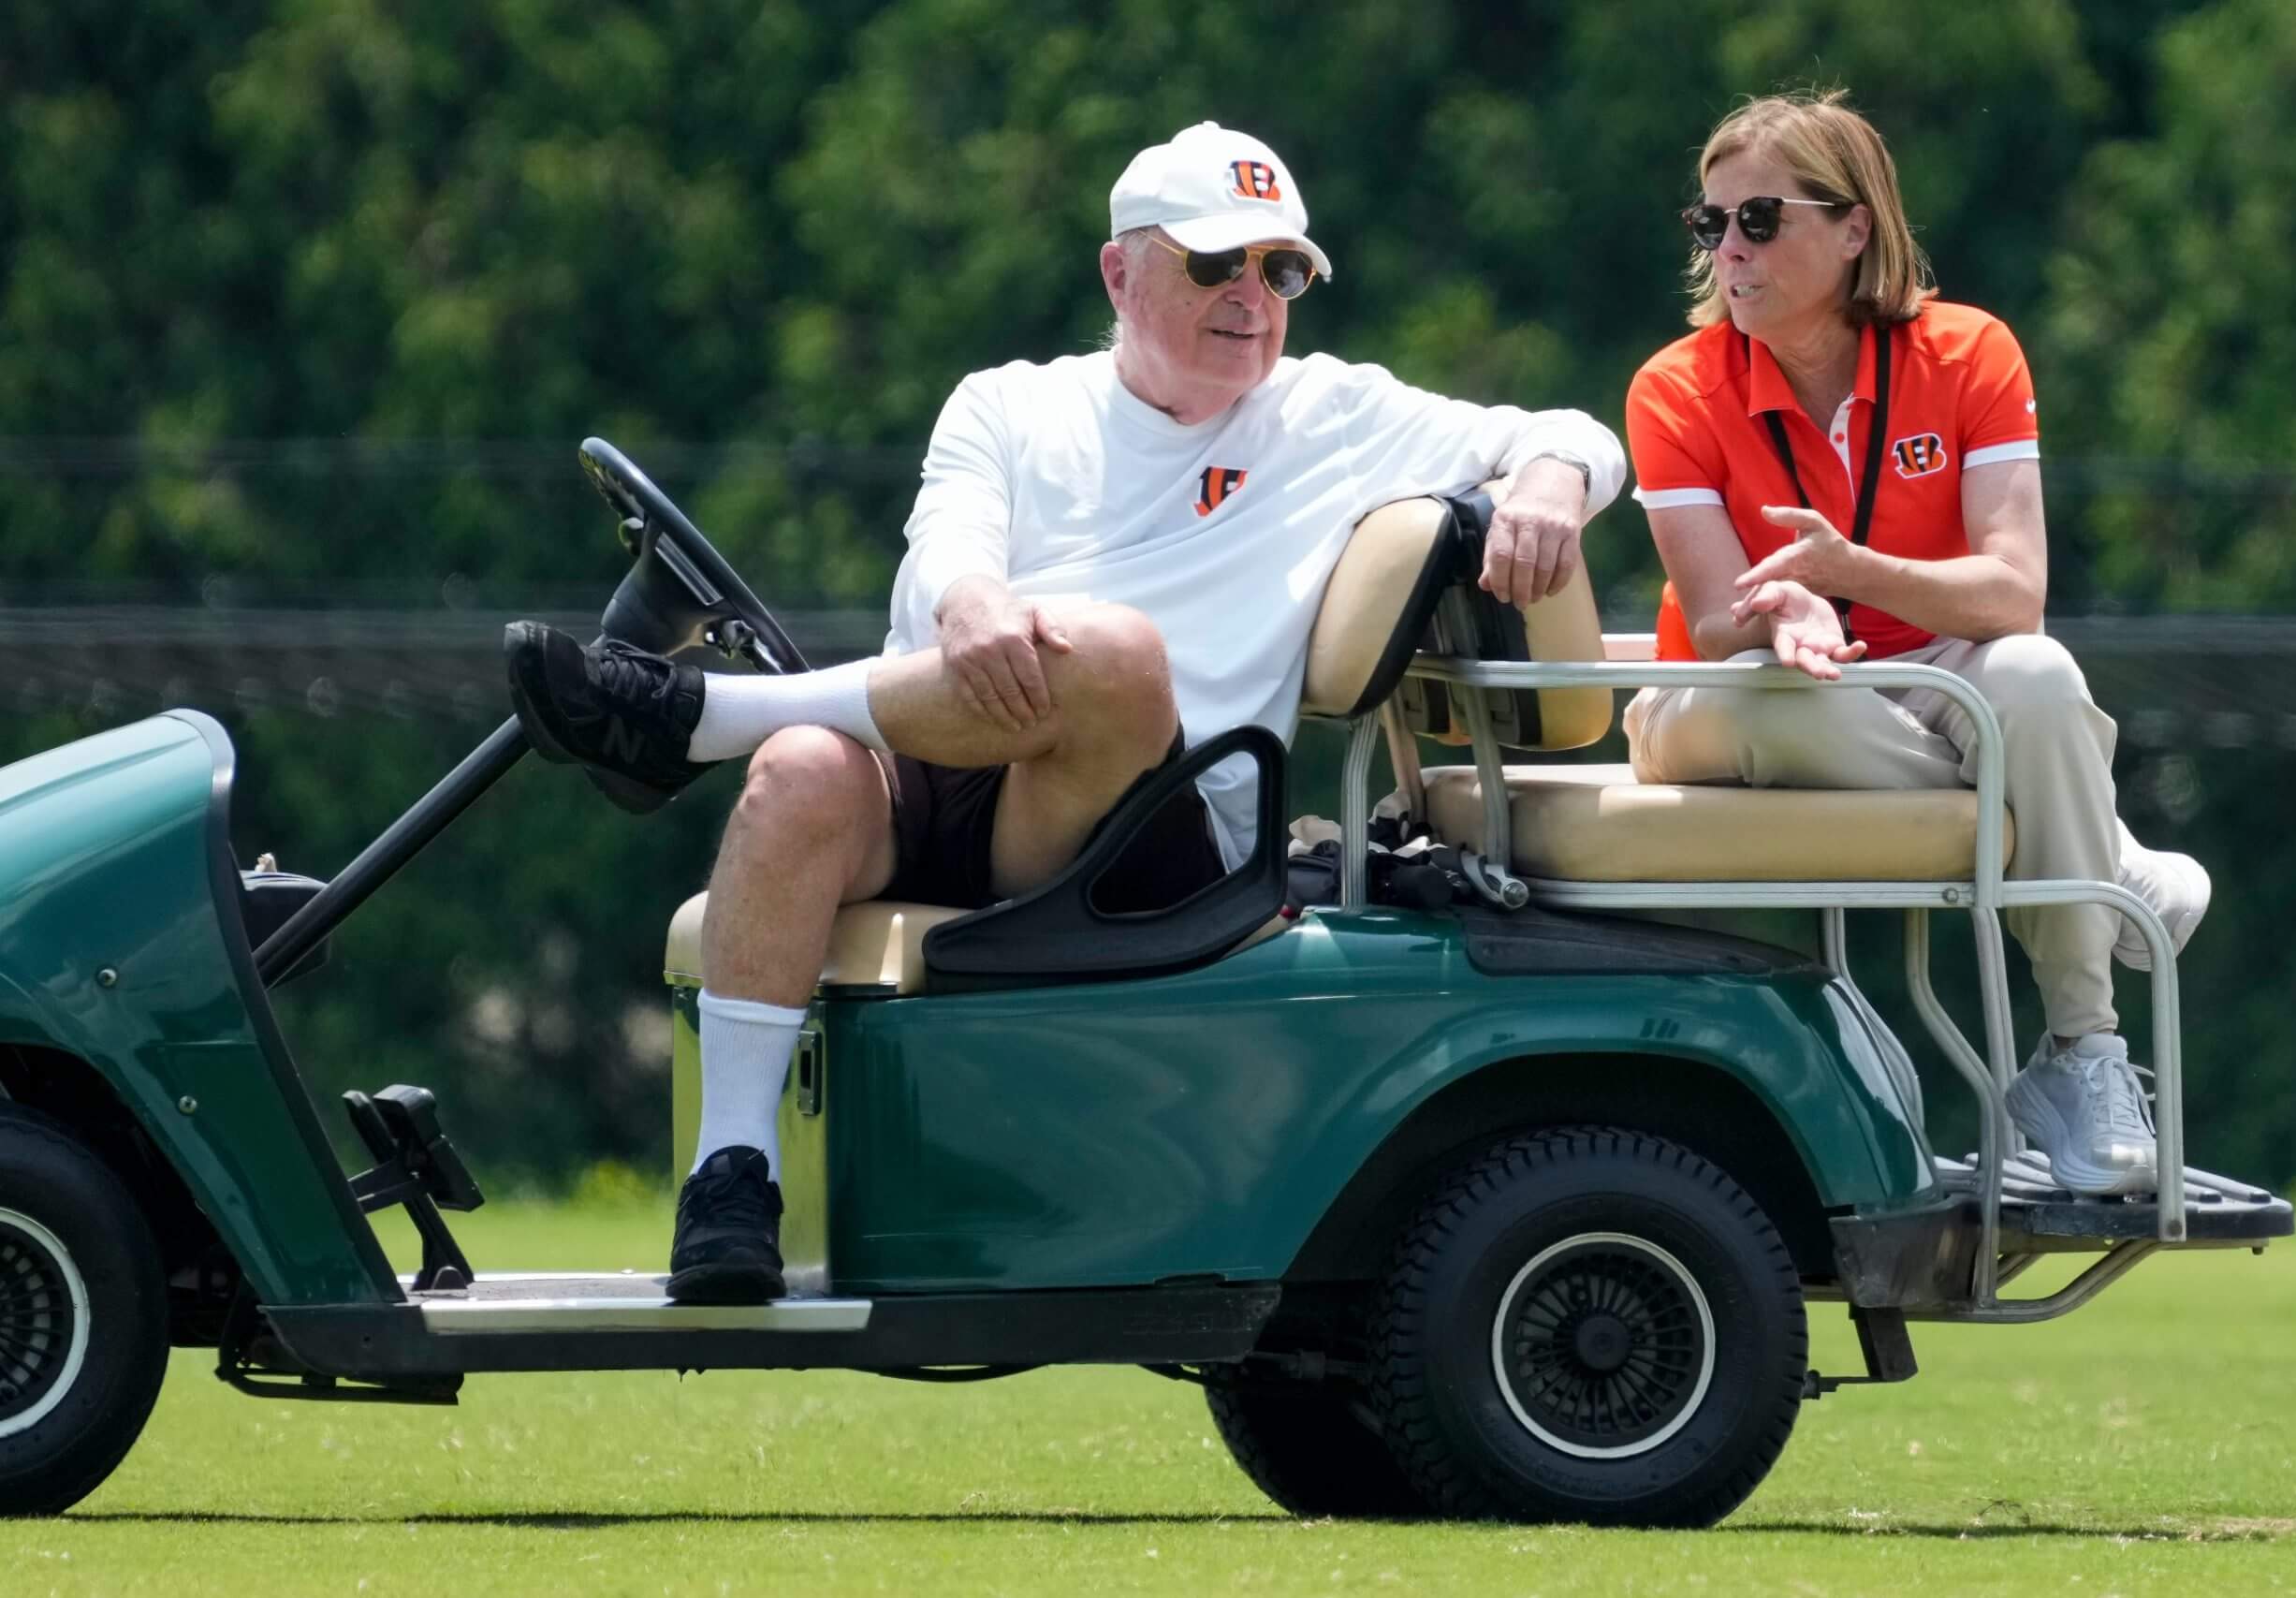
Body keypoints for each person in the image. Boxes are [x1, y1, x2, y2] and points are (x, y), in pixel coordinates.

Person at [505, 122, 1626, 1302]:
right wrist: (976, 600)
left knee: (1114, 652)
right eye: (1214, 265)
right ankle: (730, 1177)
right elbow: (950, 546)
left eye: (1280, 270)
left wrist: (1548, 482)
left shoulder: (1335, 413)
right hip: (956, 760)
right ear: (1119, 273)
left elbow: (1578, 437)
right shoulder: (1007, 404)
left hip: (1159, 828)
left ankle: (697, 719)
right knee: (797, 772)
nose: (1252, 297)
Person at [1618, 90, 2210, 1199]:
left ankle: (2080, 1051)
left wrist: (1851, 575)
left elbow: (2013, 596)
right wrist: (1788, 609)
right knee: (1780, 696)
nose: (1729, 251)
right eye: (1711, 225)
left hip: (1929, 674)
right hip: (1731, 686)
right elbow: (1709, 616)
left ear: (1854, 228)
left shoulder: (1969, 350)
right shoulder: (1673, 385)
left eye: (1760, 220)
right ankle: (2088, 846)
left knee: (2035, 675)